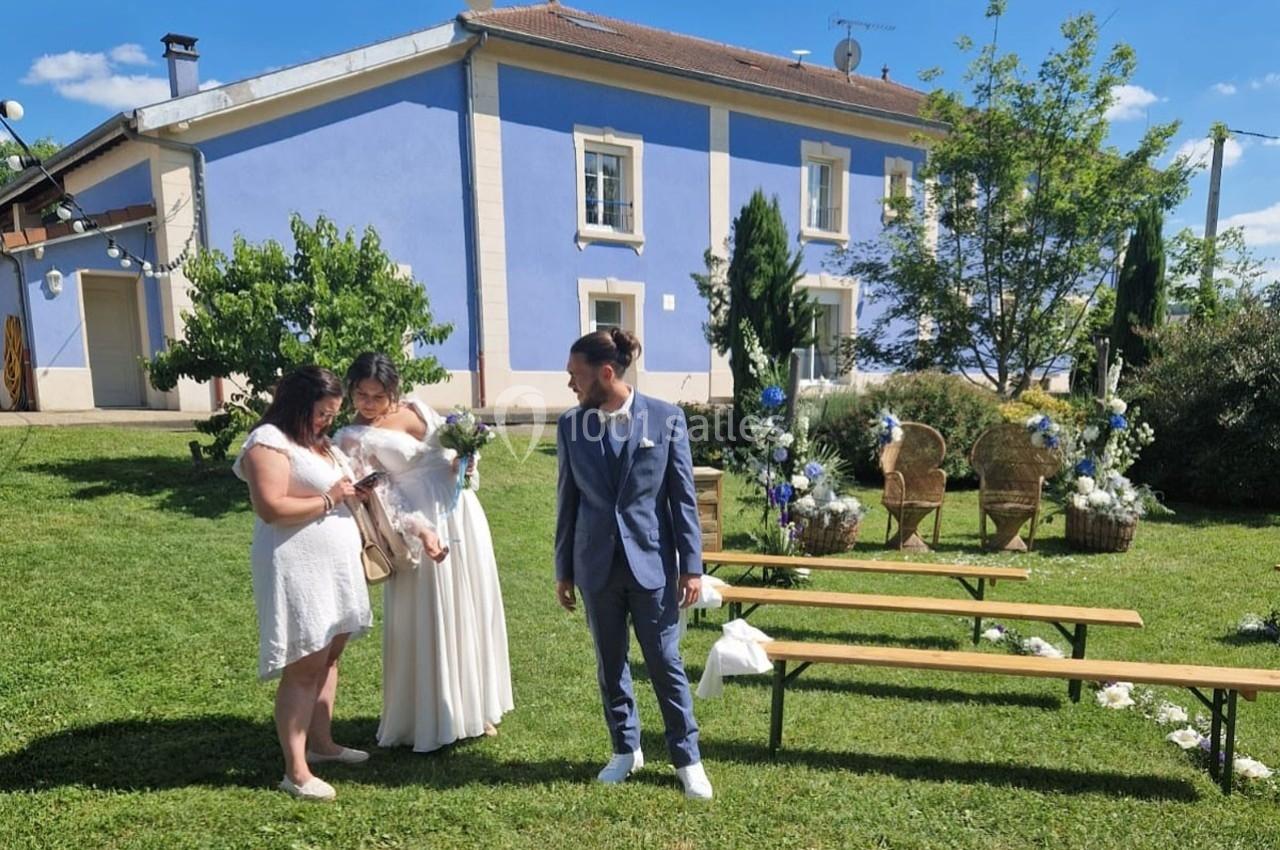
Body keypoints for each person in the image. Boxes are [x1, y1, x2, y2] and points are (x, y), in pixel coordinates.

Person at [554, 328, 713, 799]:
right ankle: (626, 748)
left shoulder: (665, 419)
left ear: (606, 373)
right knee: (610, 660)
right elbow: (568, 501)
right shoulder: (570, 425)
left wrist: (692, 567)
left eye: (575, 376)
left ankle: (688, 759)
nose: (570, 385)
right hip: (595, 565)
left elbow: (683, 500)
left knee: (665, 661)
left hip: (653, 566)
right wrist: (563, 569)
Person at [336, 352, 513, 753]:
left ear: (393, 390)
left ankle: (475, 707)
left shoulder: (417, 407)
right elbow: (382, 497)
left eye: (377, 395)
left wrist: (466, 460)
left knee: (469, 605)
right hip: (418, 527)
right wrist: (421, 531)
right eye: (360, 394)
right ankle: (431, 715)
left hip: (461, 512)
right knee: (432, 614)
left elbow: (448, 450)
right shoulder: (350, 438)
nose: (368, 402)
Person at [232, 366, 373, 802]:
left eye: (332, 414)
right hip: (298, 566)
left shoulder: (318, 443)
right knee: (304, 664)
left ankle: (323, 744)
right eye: (321, 413)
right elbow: (271, 507)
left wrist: (354, 491)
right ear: (297, 404)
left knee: (329, 656)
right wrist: (333, 498)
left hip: (335, 566)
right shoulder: (267, 442)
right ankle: (296, 771)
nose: (327, 421)